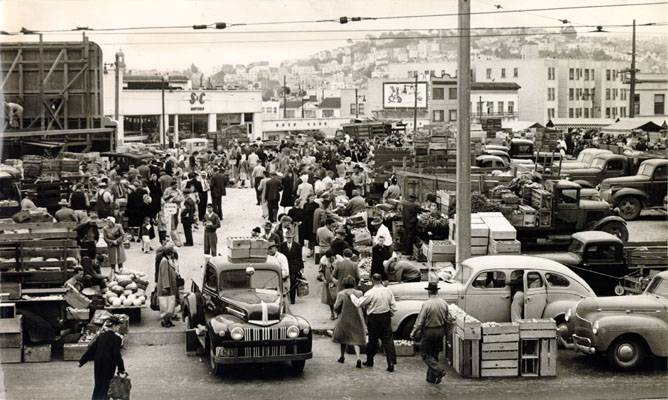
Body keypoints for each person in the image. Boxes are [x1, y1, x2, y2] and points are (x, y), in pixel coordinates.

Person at [349, 273, 397, 372]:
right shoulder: (388, 291)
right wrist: (390, 312)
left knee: (372, 340)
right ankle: (391, 363)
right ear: (381, 280)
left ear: (372, 280)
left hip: (374, 318)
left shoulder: (370, 293)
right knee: (388, 341)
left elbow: (359, 303)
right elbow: (394, 306)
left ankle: (370, 360)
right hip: (385, 316)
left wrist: (352, 296)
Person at [79, 315, 126, 400]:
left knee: (98, 385)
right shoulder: (117, 338)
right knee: (106, 386)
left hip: (98, 364)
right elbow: (117, 355)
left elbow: (92, 349)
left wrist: (82, 361)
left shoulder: (101, 336)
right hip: (108, 365)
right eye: (118, 325)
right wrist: (121, 369)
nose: (119, 327)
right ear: (114, 326)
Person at [410, 281, 449, 384]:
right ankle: (431, 378)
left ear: (429, 292)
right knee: (434, 354)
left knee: (425, 354)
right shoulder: (444, 303)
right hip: (440, 330)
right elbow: (448, 318)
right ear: (437, 291)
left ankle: (438, 370)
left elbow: (420, 321)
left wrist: (414, 331)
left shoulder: (426, 304)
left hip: (429, 331)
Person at [332, 276, 366, 368]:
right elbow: (362, 305)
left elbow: (336, 306)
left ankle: (342, 356)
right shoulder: (359, 293)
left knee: (343, 337)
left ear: (344, 284)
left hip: (344, 317)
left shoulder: (341, 294)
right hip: (357, 317)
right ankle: (358, 358)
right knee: (356, 339)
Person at [278, 230, 304, 305]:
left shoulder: (298, 246)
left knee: (293, 282)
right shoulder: (282, 245)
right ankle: (284, 297)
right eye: (288, 237)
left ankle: (292, 299)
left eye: (290, 237)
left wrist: (301, 267)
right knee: (284, 281)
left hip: (294, 266)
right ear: (286, 238)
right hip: (285, 266)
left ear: (293, 237)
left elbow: (300, 257)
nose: (289, 239)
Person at [157, 250, 179, 327]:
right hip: (166, 287)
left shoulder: (167, 260)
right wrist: (166, 287)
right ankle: (165, 321)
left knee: (170, 303)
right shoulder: (164, 261)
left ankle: (168, 320)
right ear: (170, 253)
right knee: (166, 304)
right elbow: (164, 275)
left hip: (170, 286)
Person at [319, 250, 340, 320]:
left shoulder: (337, 262)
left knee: (337, 298)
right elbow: (321, 271)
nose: (329, 259)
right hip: (328, 283)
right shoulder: (324, 262)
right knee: (330, 300)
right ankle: (332, 313)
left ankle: (337, 312)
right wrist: (323, 279)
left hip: (336, 283)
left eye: (330, 258)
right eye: (328, 258)